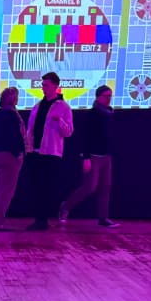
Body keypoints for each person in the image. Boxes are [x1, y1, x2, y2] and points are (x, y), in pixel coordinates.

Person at [59, 85, 118, 228]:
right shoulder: (92, 114)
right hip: (93, 156)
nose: (108, 99)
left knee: (105, 187)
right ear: (98, 97)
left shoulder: (110, 113)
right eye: (106, 96)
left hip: (106, 156)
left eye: (110, 96)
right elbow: (85, 136)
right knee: (90, 187)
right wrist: (85, 157)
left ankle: (103, 218)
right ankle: (65, 207)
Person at [24, 72, 74, 231]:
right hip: (35, 152)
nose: (43, 88)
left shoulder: (63, 107)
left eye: (46, 85)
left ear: (55, 86)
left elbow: (69, 132)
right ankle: (38, 219)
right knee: (36, 186)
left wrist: (60, 121)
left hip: (52, 154)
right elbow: (30, 129)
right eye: (42, 84)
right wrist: (28, 147)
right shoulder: (38, 106)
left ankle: (43, 220)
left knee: (47, 187)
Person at [0, 86, 28, 231]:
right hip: (8, 155)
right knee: (5, 191)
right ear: (13, 99)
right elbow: (15, 137)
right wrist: (19, 153)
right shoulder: (12, 115)